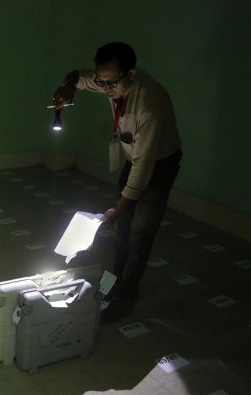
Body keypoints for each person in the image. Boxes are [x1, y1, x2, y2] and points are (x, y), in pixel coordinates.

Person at [52, 42, 183, 323]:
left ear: (131, 75)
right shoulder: (110, 81)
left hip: (159, 165)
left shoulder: (150, 104)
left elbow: (143, 169)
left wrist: (121, 207)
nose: (105, 88)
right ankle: (111, 285)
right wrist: (69, 86)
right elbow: (80, 76)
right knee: (121, 233)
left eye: (110, 83)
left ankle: (126, 296)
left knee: (138, 235)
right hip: (133, 156)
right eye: (102, 81)